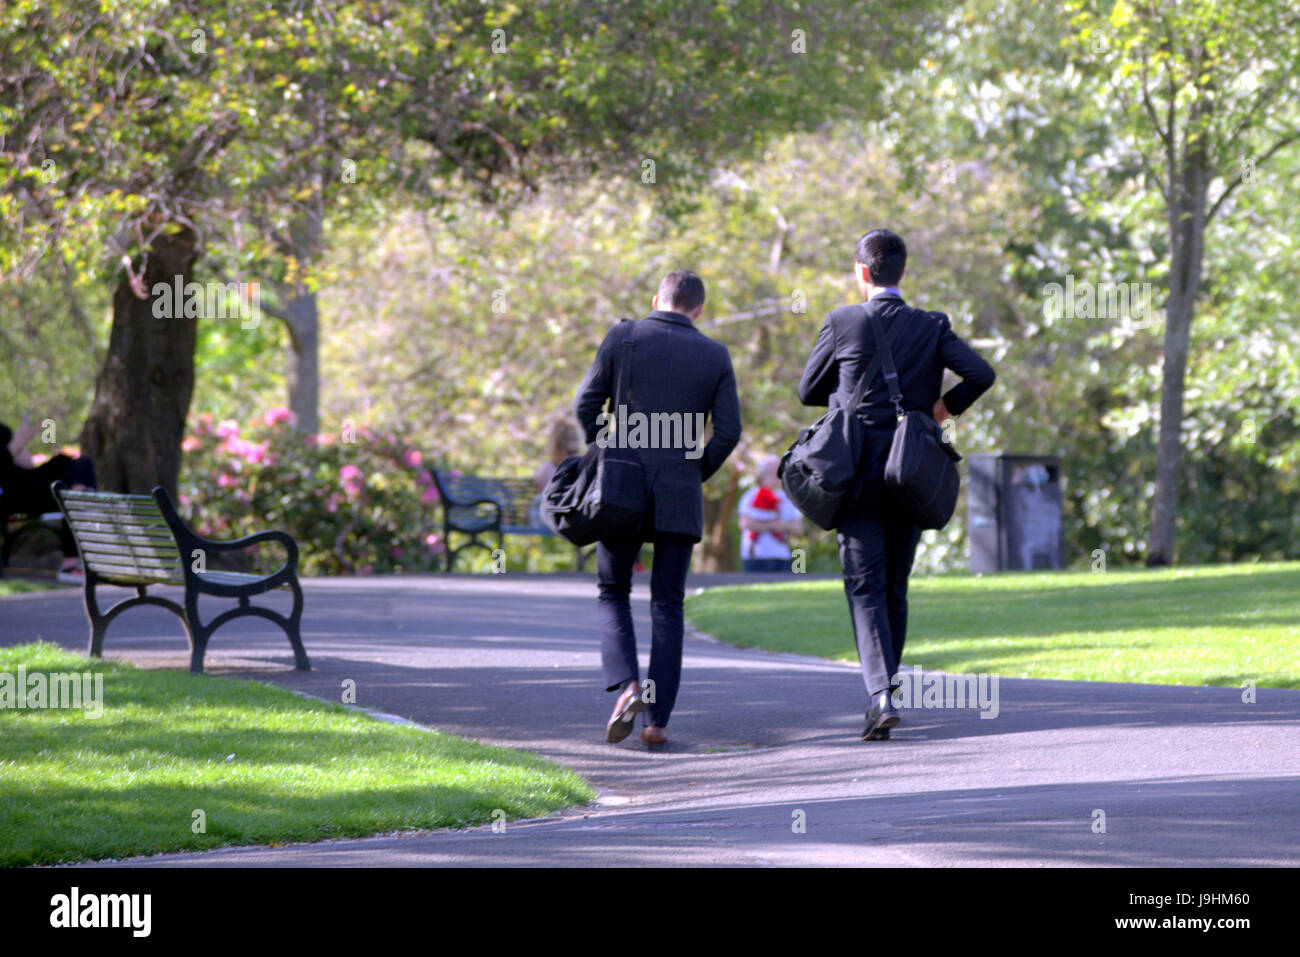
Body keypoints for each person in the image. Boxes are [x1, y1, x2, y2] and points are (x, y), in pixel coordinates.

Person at [797, 230, 995, 741]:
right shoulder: (931, 325)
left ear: (862, 272)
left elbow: (807, 389)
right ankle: (887, 691)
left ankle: (880, 696)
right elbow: (981, 373)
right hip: (912, 472)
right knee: (895, 588)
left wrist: (848, 393)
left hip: (857, 473)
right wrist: (945, 406)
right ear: (901, 274)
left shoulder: (843, 322)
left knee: (865, 587)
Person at [575, 269, 741, 748]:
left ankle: (627, 686)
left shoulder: (623, 336)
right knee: (668, 603)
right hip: (678, 491)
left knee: (613, 590)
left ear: (656, 299)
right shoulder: (714, 354)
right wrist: (694, 470)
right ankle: (656, 721)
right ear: (699, 309)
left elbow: (586, 405)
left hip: (621, 486)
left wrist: (613, 448)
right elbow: (728, 432)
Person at [0, 415, 98, 583]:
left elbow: (27, 464)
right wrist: (16, 444)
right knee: (66, 495)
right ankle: (76, 495)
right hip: (12, 495)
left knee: (76, 462)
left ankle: (78, 491)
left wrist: (20, 442)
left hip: (23, 481)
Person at [738, 454, 802, 572]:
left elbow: (798, 529)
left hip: (781, 557)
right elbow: (744, 523)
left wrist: (783, 526)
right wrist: (771, 525)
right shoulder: (750, 496)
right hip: (755, 558)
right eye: (771, 472)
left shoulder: (787, 499)